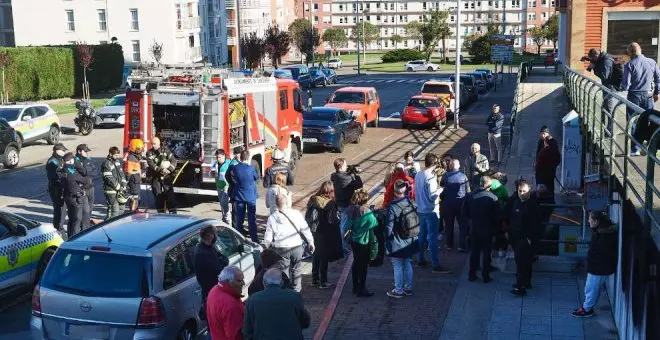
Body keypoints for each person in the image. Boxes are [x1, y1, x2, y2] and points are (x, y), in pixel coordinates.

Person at [263, 194, 315, 292]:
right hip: (297, 247)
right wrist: (311, 242)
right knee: (297, 269)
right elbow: (305, 229)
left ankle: (285, 291)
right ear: (287, 202)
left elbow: (268, 237)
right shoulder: (296, 213)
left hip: (280, 248)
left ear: (276, 204)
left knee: (284, 272)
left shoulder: (272, 217)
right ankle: (296, 290)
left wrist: (265, 247)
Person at [242, 268, 311, 340]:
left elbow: (247, 329)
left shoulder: (252, 300)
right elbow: (305, 322)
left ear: (264, 283)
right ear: (281, 282)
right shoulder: (295, 296)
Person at [572, 211, 618, 317]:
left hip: (599, 267)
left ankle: (587, 309)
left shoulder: (602, 234)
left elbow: (602, 251)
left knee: (591, 288)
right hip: (599, 266)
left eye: (590, 219)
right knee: (592, 288)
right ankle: (587, 307)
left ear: (597, 221)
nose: (588, 221)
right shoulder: (603, 231)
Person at [621, 42, 660, 155]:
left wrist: (621, 88)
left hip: (634, 95)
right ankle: (649, 145)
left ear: (630, 52)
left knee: (634, 121)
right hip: (648, 96)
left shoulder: (629, 64)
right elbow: (658, 79)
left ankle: (635, 148)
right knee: (650, 120)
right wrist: (657, 92)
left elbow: (626, 85)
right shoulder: (652, 62)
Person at [414, 153, 450, 273]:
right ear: (434, 164)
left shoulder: (418, 175)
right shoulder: (431, 177)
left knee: (421, 236)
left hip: (420, 209)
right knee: (432, 237)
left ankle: (420, 259)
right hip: (431, 210)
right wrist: (440, 190)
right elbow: (432, 196)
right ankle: (435, 264)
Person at [385, 180, 420, 298]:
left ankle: (398, 290)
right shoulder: (411, 202)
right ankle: (408, 288)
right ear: (405, 190)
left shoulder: (393, 206)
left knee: (397, 265)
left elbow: (389, 226)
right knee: (407, 263)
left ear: (394, 191)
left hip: (397, 241)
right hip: (410, 239)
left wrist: (387, 238)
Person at [305, 181, 343, 289]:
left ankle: (315, 279)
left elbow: (308, 216)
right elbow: (334, 220)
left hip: (314, 231)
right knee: (324, 257)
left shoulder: (313, 199)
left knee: (316, 255)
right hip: (326, 232)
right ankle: (323, 281)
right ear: (330, 191)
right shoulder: (330, 203)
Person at [506, 179, 541, 297]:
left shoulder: (532, 206)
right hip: (516, 237)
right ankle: (526, 282)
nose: (522, 193)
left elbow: (536, 224)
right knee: (523, 262)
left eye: (524, 191)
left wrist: (530, 238)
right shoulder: (516, 202)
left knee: (521, 262)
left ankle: (520, 286)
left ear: (529, 192)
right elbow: (512, 219)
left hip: (525, 238)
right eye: (520, 191)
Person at [463, 176, 500, 283]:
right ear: (489, 185)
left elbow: (464, 212)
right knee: (486, 253)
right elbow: (497, 216)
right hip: (487, 229)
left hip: (474, 228)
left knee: (474, 252)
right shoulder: (493, 198)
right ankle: (485, 275)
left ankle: (472, 274)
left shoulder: (470, 196)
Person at [345, 188, 379, 297]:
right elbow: (375, 225)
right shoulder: (367, 214)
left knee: (356, 263)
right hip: (364, 242)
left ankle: (355, 286)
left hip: (354, 241)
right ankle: (362, 289)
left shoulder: (350, 210)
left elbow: (346, 226)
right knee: (363, 266)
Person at [331, 157, 363, 254]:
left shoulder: (334, 176)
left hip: (339, 204)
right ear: (340, 167)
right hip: (346, 205)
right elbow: (359, 185)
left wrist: (349, 172)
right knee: (343, 227)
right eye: (345, 165)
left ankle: (346, 241)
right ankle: (342, 248)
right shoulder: (347, 178)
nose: (346, 166)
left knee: (345, 224)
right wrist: (356, 175)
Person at [194, 225, 230, 308]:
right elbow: (219, 269)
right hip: (211, 292)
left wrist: (222, 261)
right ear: (210, 236)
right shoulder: (203, 253)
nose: (216, 236)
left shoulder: (209, 247)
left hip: (214, 289)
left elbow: (224, 259)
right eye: (215, 233)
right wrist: (222, 262)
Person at [206, 265, 245, 340]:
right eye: (239, 281)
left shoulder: (214, 291)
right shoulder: (232, 305)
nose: (243, 283)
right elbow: (236, 336)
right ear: (228, 282)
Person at [440, 159, 470, 252]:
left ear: (451, 166)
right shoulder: (463, 177)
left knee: (449, 225)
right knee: (462, 225)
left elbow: (441, 188)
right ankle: (461, 245)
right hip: (460, 204)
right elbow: (468, 191)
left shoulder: (445, 176)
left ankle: (449, 244)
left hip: (448, 204)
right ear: (459, 166)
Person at [584, 48, 618, 130]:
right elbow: (598, 61)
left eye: (593, 58)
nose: (592, 60)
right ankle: (604, 126)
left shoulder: (606, 60)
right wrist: (587, 59)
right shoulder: (602, 58)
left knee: (609, 108)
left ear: (596, 55)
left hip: (610, 86)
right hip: (607, 86)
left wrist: (594, 68)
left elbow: (604, 76)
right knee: (605, 106)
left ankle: (610, 130)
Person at [230, 150, 260, 242]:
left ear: (241, 157)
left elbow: (232, 177)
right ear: (248, 158)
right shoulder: (251, 168)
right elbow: (256, 177)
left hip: (239, 196)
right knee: (251, 219)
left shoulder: (235, 168)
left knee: (239, 219)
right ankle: (254, 239)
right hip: (250, 196)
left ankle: (239, 239)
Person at [145, 137, 177, 213]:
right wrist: (161, 170)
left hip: (166, 177)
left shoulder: (166, 150)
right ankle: (161, 213)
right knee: (158, 195)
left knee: (169, 195)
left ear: (159, 143)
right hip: (155, 177)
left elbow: (173, 161)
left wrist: (169, 169)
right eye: (152, 144)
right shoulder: (149, 153)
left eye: (154, 144)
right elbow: (152, 165)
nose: (152, 145)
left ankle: (173, 212)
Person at [62, 152, 88, 237]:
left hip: (67, 196)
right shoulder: (71, 171)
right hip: (75, 198)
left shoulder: (62, 170)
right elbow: (84, 180)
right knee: (77, 219)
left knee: (71, 218)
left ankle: (70, 236)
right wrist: (78, 166)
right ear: (70, 161)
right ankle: (74, 238)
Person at [212, 149, 238, 223]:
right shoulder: (215, 164)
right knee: (222, 205)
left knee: (224, 203)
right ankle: (224, 220)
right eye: (217, 157)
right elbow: (211, 172)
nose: (218, 159)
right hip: (219, 186)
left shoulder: (229, 164)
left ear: (224, 156)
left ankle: (228, 220)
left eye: (219, 157)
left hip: (226, 186)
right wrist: (211, 173)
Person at [46, 143, 68, 231]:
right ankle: (58, 228)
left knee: (63, 209)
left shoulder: (60, 159)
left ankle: (60, 226)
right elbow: (55, 175)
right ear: (57, 151)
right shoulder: (52, 161)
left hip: (61, 187)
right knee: (59, 209)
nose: (64, 152)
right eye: (63, 151)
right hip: (56, 188)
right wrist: (65, 175)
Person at [101, 146, 127, 219]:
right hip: (111, 190)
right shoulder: (107, 164)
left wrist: (124, 184)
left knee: (121, 209)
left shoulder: (117, 162)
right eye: (115, 155)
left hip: (119, 190)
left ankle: (117, 224)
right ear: (110, 154)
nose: (117, 157)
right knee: (113, 210)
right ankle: (108, 225)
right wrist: (117, 186)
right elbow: (109, 177)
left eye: (118, 155)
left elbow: (121, 173)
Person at [489, 172, 509, 258]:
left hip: (487, 212)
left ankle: (490, 250)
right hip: (498, 213)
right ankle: (500, 250)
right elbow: (506, 199)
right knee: (499, 233)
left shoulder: (488, 184)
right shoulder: (502, 189)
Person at [535, 126, 561, 194]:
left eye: (544, 134)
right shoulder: (540, 142)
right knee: (540, 188)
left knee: (549, 189)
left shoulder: (553, 142)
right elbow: (538, 154)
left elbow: (557, 158)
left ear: (547, 133)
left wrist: (552, 168)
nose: (542, 135)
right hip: (540, 172)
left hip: (548, 172)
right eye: (541, 134)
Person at [74, 144, 95, 229]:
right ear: (79, 151)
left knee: (90, 210)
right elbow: (82, 171)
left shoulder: (87, 159)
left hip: (90, 187)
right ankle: (84, 229)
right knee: (85, 211)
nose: (87, 153)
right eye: (85, 151)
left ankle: (86, 226)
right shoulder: (75, 160)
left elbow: (95, 171)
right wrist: (87, 171)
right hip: (82, 189)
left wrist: (86, 171)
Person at [125, 139, 145, 212]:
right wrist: (126, 183)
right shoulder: (131, 158)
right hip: (133, 181)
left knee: (137, 197)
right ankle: (133, 212)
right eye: (139, 149)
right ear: (135, 148)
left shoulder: (135, 157)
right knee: (134, 197)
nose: (141, 150)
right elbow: (129, 172)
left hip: (136, 180)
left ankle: (135, 210)